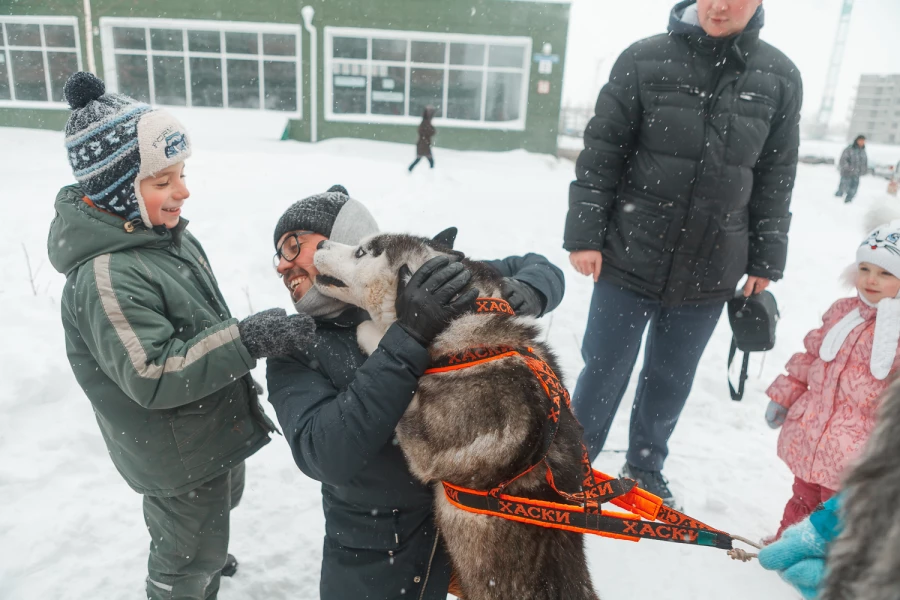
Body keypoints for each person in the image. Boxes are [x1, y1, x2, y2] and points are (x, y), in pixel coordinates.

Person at [48, 72, 315, 599]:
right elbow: (151, 372)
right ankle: (182, 579)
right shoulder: (108, 274)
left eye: (181, 173)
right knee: (188, 549)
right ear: (117, 189)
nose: (183, 191)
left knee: (221, 501)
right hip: (174, 451)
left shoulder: (162, 239)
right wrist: (246, 341)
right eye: (162, 181)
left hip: (204, 428)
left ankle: (204, 551)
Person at [265, 186, 564, 599]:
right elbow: (325, 452)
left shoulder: (429, 282)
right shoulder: (295, 348)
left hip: (475, 543)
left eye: (293, 244)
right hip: (379, 562)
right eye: (278, 256)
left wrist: (521, 292)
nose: (282, 264)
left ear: (344, 236)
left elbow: (538, 266)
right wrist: (407, 337)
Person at [563, 0, 802, 508]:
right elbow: (602, 151)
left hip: (713, 263)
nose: (719, 6)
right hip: (629, 254)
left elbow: (777, 177)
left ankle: (646, 464)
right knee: (604, 367)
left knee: (672, 376)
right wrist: (585, 234)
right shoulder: (643, 58)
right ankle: (572, 464)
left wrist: (765, 258)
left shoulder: (780, 76)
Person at [765, 218, 900, 539]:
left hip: (861, 445)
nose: (871, 280)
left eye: (885, 273)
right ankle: (789, 544)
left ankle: (825, 564)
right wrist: (783, 396)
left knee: (837, 512)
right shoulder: (842, 310)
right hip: (813, 428)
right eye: (865, 269)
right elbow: (809, 356)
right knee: (802, 494)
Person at [759, 378, 900, 599]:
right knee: (803, 499)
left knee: (830, 512)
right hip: (816, 435)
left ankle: (838, 556)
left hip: (850, 457)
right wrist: (786, 392)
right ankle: (788, 542)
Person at [835, 135, 868, 204]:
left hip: (856, 174)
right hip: (847, 173)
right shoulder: (849, 149)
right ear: (857, 140)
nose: (862, 142)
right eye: (861, 140)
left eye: (863, 141)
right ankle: (836, 201)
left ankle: (848, 201)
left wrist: (863, 170)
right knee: (843, 188)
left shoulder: (862, 151)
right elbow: (843, 160)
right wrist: (849, 168)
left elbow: (864, 162)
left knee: (853, 189)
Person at [409, 107, 436, 171]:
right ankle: (409, 169)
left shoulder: (426, 122)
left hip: (424, 145)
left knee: (423, 160)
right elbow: (428, 132)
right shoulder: (425, 123)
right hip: (423, 145)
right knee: (426, 160)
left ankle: (410, 169)